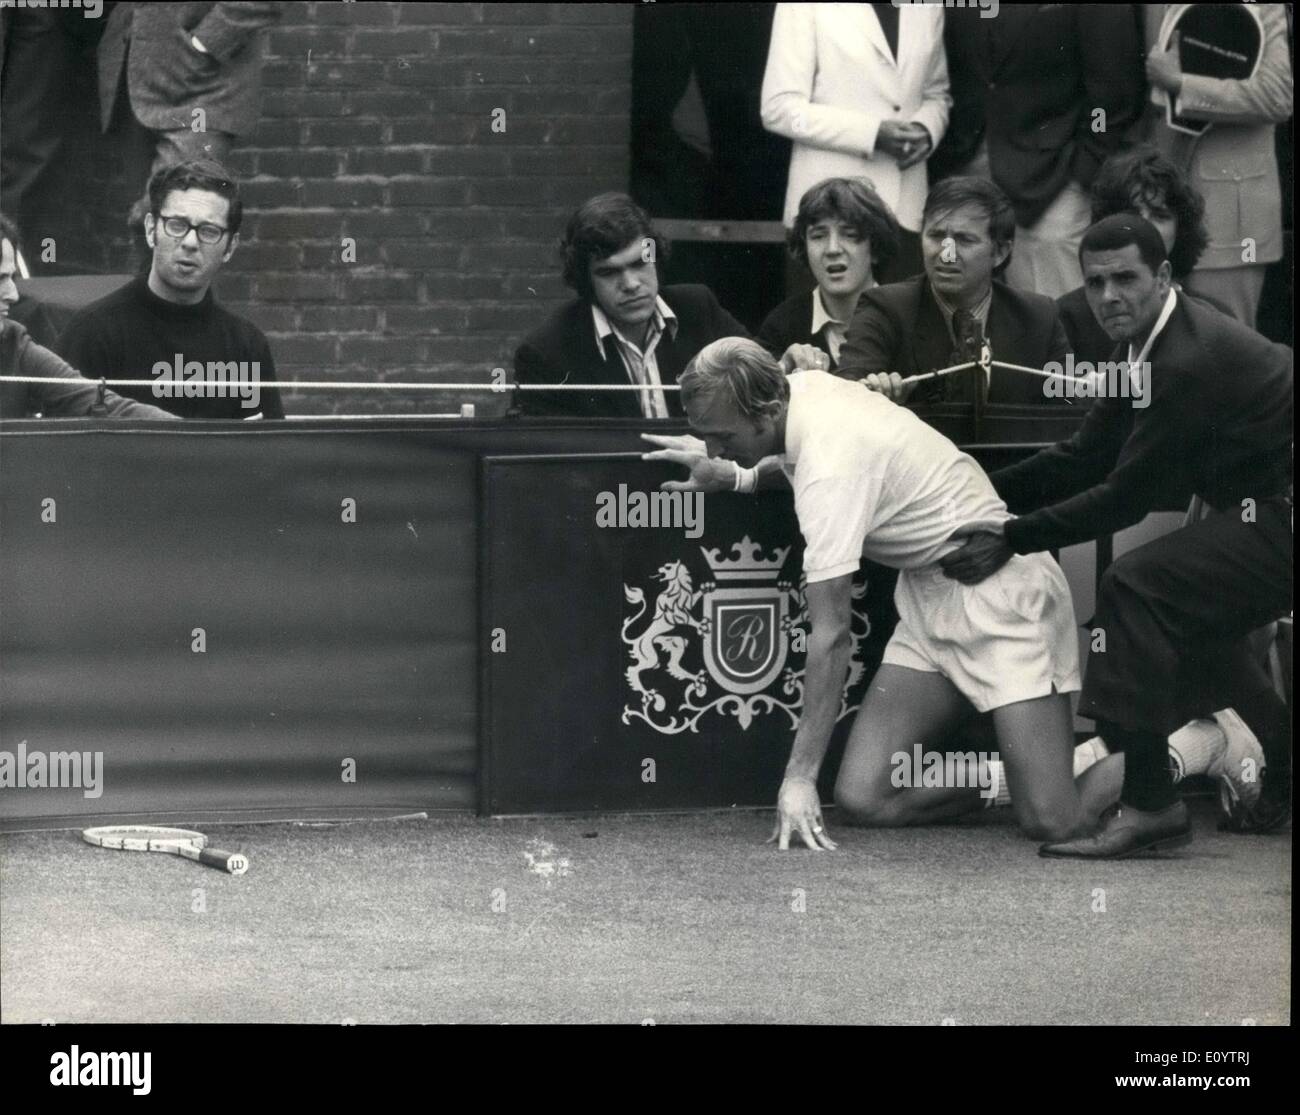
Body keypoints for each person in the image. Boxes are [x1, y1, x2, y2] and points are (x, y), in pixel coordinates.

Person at [644, 338, 1095, 850]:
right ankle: (1027, 775)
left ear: (769, 409)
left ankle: (1185, 751)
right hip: (929, 597)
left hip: (1001, 595)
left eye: (722, 437)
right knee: (866, 797)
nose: (712, 450)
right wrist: (739, 476)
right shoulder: (801, 389)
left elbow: (832, 636)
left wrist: (797, 780)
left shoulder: (831, 468)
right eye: (706, 437)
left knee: (1055, 822)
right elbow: (791, 458)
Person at [941, 215, 1293, 855]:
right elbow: (1084, 455)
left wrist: (1009, 536)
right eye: (1095, 282)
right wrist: (972, 488)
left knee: (1137, 586)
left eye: (1125, 279)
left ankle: (1152, 807)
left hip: (1279, 511)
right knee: (1190, 617)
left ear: (1162, 277)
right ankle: (1282, 762)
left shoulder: (1184, 359)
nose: (1109, 297)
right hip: (1262, 509)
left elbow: (1124, 500)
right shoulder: (1138, 345)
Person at [513, 193, 824, 420]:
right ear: (585, 281)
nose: (631, 283)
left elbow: (756, 371)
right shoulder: (546, 350)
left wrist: (785, 364)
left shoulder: (698, 307)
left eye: (639, 264)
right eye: (609, 272)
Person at [931, 3, 1146, 299]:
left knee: (1055, 319)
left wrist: (1085, 167)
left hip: (1054, 180)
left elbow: (1112, 93)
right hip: (963, 168)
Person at [56, 160, 283, 420]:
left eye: (209, 231)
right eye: (177, 225)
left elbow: (266, 452)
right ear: (152, 229)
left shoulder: (246, 346)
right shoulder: (93, 333)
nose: (189, 242)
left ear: (230, 247)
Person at [760, 2, 950, 285]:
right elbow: (779, 108)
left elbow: (936, 93)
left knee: (902, 324)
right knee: (821, 327)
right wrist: (871, 133)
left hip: (905, 209)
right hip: (828, 212)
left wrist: (926, 130)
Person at [837, 177, 1069, 406]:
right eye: (936, 236)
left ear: (1000, 252)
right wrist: (879, 399)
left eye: (964, 240)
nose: (945, 254)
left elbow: (1067, 410)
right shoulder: (885, 307)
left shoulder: (1039, 317)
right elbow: (846, 391)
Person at [1143, 3, 1293, 328]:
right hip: (1160, 205)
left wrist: (1182, 84)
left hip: (1235, 230)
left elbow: (1278, 97)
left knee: (1230, 348)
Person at [98, 2, 285, 228]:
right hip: (130, 74)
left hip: (205, 86)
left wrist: (209, 40)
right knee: (146, 229)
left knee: (176, 219)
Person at [1, 216, 175, 420]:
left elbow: (108, 407)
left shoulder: (15, 346)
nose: (12, 294)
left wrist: (199, 437)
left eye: (11, 278)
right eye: (0, 278)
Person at [1058, 145, 1213, 364]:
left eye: (1159, 216)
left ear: (1181, 228)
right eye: (1132, 214)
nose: (1145, 226)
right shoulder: (1066, 318)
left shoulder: (1211, 316)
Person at [755, 177, 899, 372]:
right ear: (804, 247)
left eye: (849, 234)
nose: (832, 249)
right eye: (818, 236)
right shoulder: (781, 326)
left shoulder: (906, 319)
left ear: (874, 247)